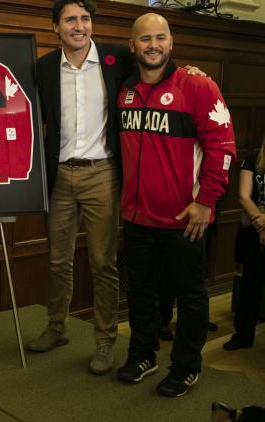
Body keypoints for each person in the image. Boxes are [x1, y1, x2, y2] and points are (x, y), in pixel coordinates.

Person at [115, 13, 236, 397]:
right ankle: (143, 354)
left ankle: (186, 366)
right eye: (145, 38)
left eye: (160, 37)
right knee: (141, 292)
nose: (153, 45)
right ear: (132, 45)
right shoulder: (123, 88)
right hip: (137, 216)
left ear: (171, 42)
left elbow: (224, 148)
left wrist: (206, 202)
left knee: (191, 295)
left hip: (187, 218)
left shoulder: (198, 86)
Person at [28, 0, 134, 376]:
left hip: (102, 174)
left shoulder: (117, 58)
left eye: (85, 18)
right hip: (59, 176)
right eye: (70, 19)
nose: (79, 26)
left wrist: (191, 70)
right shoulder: (41, 68)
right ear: (55, 27)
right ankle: (57, 328)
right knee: (58, 260)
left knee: (103, 262)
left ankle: (105, 341)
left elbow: (159, 71)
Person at [225, 135, 265, 350]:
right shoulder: (253, 159)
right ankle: (243, 335)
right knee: (250, 285)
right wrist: (260, 223)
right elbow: (243, 196)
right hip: (253, 229)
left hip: (259, 224)